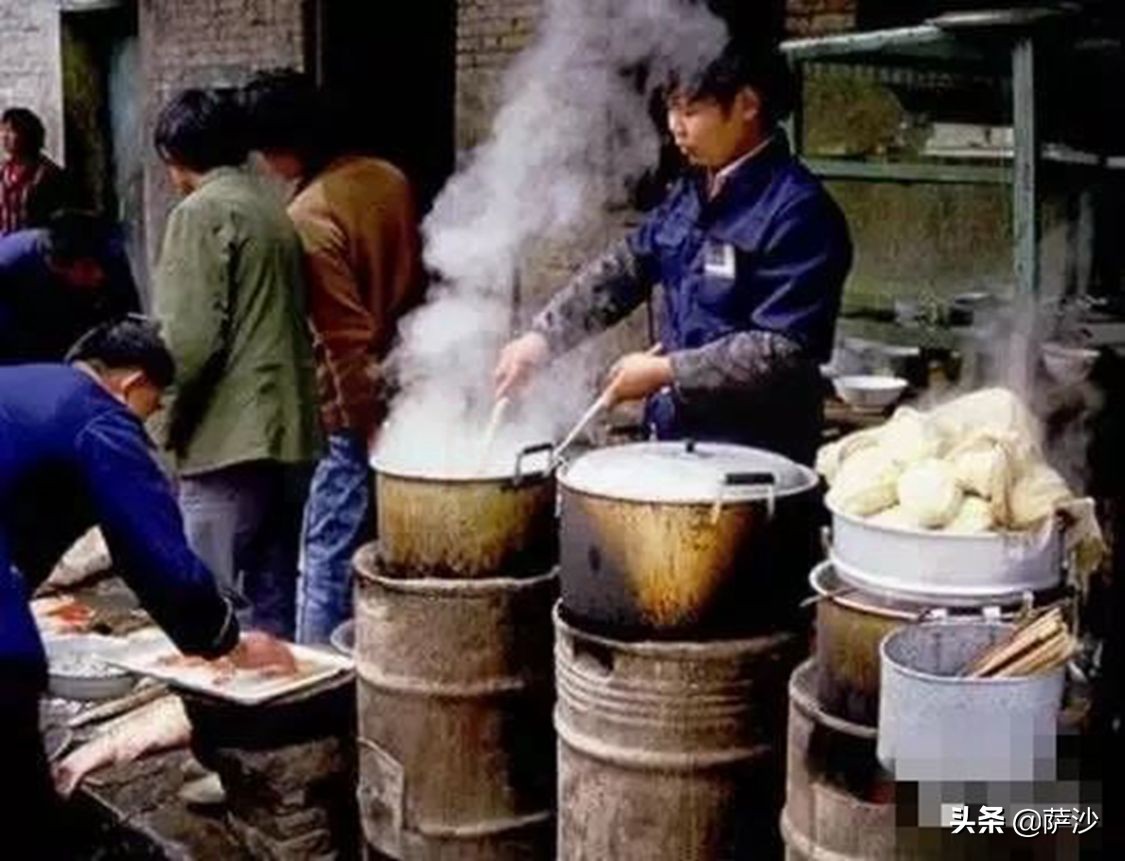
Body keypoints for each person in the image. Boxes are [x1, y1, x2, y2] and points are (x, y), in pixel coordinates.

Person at [0, 318, 291, 854]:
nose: (149, 423)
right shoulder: (99, 419)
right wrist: (224, 639)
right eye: (153, 407)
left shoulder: (24, 385)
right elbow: (151, 551)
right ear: (132, 384)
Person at [494, 44, 853, 466]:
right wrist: (543, 338)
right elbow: (627, 266)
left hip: (756, 457)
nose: (675, 128)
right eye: (671, 109)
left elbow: (783, 349)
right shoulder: (692, 190)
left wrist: (669, 372)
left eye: (690, 111)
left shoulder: (798, 210)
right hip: (674, 438)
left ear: (747, 105)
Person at [243, 72, 424, 643]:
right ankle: (378, 655)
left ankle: (321, 671)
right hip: (406, 381)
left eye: (265, 151)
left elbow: (343, 338)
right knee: (385, 542)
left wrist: (361, 423)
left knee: (327, 547)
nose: (265, 165)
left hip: (350, 405)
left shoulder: (309, 219)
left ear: (285, 146)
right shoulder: (389, 178)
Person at [152, 88, 322, 639]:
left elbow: (189, 342)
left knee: (207, 598)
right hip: (289, 431)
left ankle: (217, 718)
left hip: (227, 440)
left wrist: (163, 429)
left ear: (174, 157)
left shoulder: (199, 214)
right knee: (272, 597)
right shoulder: (270, 208)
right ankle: (277, 718)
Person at [0, 210, 140, 364]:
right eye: (87, 268)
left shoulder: (74, 241)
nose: (99, 274)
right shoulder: (12, 270)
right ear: (58, 268)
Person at [0, 107, 71, 234]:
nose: (4, 136)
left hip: (34, 241)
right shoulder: (3, 170)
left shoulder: (47, 173)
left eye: (10, 131)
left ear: (26, 134)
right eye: (3, 130)